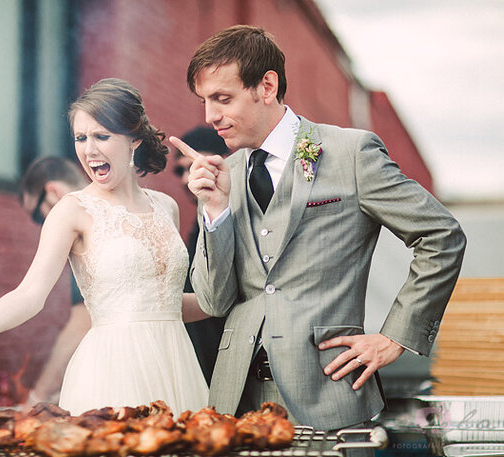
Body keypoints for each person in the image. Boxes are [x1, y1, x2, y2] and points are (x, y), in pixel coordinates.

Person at [170, 25, 466, 432]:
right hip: (235, 402)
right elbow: (215, 301)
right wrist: (216, 210)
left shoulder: (351, 153)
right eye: (204, 101)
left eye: (223, 98)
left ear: (267, 86)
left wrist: (394, 336)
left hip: (330, 394)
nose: (210, 116)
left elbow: (442, 236)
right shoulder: (226, 174)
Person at [0, 78, 209, 416]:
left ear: (134, 139)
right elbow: (29, 295)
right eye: (81, 138)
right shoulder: (71, 210)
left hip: (177, 363)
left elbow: (166, 302)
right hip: (112, 373)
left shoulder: (166, 206)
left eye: (101, 136)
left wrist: (238, 298)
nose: (89, 150)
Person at [18, 156, 90, 405]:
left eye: (39, 217)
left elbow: (82, 321)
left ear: (52, 193)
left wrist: (38, 396)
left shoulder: (84, 229)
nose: (42, 227)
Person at [173, 127, 230, 384]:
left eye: (196, 166)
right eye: (181, 170)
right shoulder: (198, 220)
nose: (187, 178)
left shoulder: (234, 209)